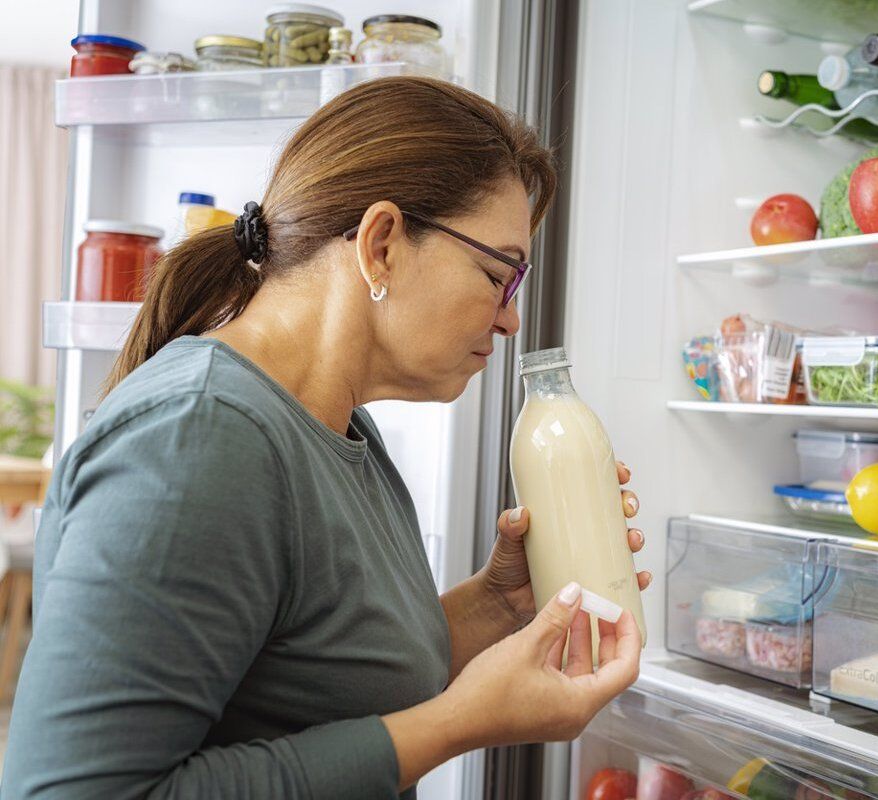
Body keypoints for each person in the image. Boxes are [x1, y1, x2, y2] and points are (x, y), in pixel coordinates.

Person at [3, 77, 649, 799]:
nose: (511, 319)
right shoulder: (198, 440)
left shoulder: (341, 429)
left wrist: (503, 602)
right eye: (499, 274)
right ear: (381, 244)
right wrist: (457, 724)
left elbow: (319, 682)